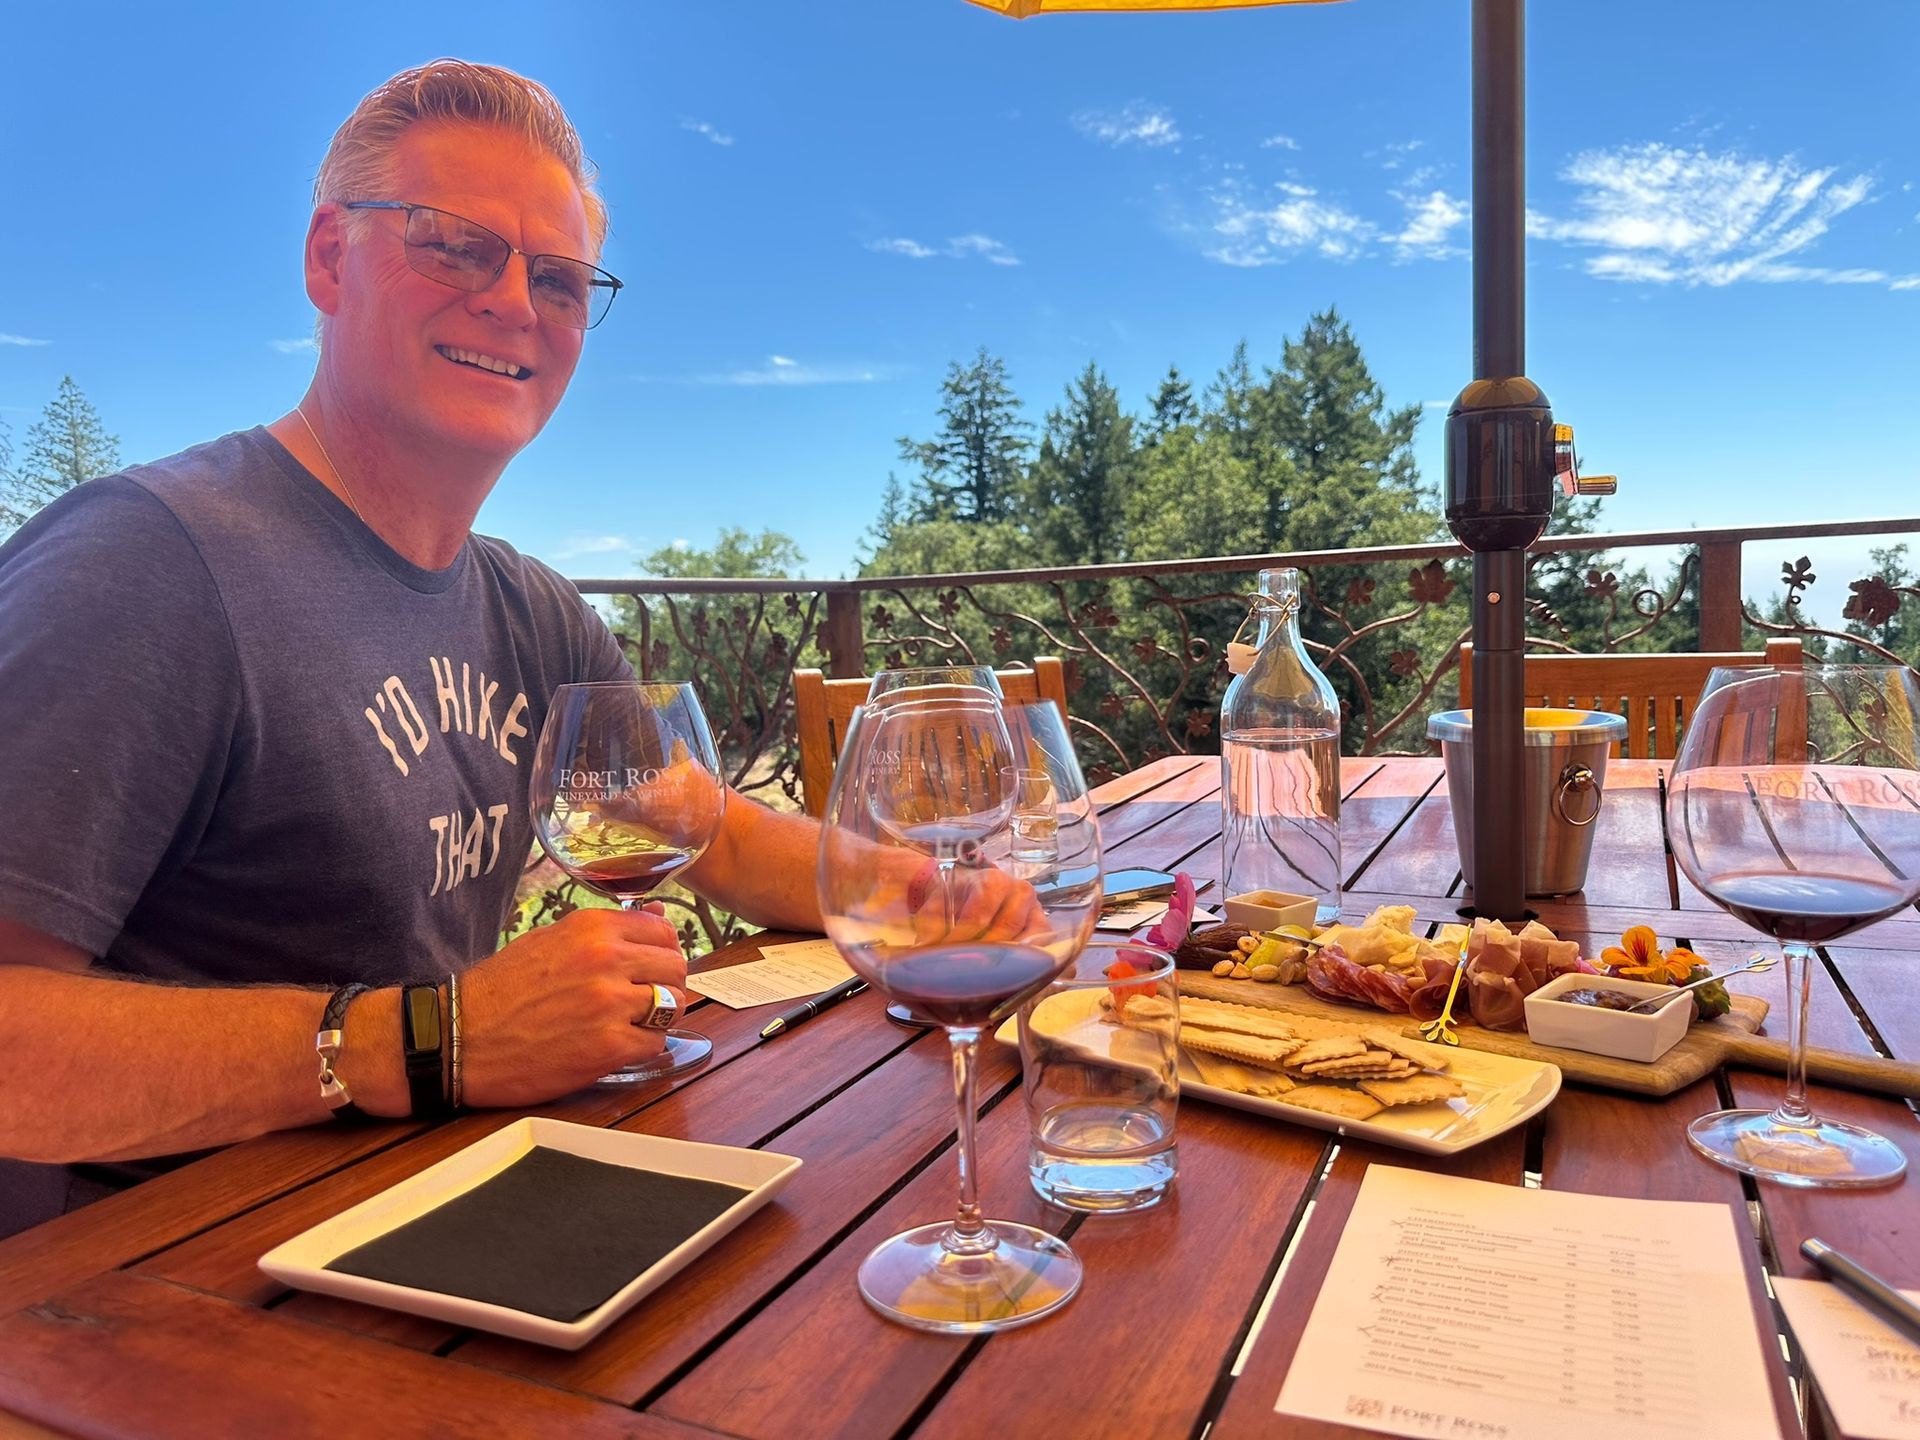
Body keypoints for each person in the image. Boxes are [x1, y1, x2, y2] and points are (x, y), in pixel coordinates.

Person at [0, 61, 843, 1240]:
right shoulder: (150, 562)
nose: (513, 302)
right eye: (453, 246)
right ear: (329, 259)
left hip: (426, 1219)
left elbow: (715, 832)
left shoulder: (528, 610)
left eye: (558, 279)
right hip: (147, 1288)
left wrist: (921, 890)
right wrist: (431, 1040)